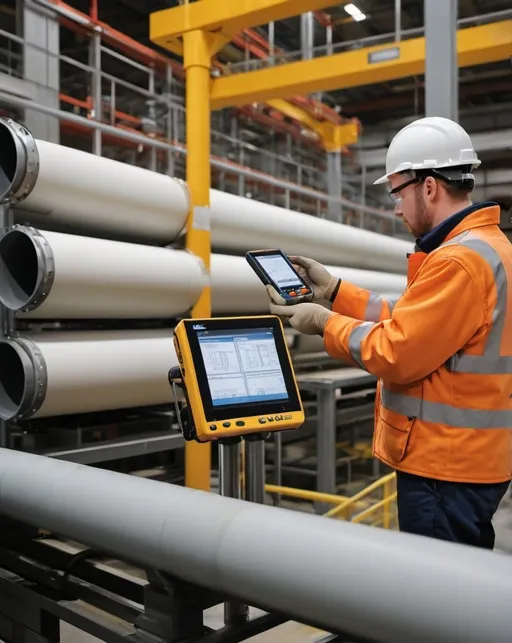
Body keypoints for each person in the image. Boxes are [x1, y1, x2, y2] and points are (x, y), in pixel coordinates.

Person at [267, 116, 512, 549]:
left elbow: (398, 351)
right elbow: (414, 321)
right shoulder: (489, 248)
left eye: (397, 192)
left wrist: (324, 324)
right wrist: (335, 293)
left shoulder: (458, 261)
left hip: (445, 468)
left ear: (430, 187)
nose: (396, 207)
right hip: (472, 457)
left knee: (437, 601)